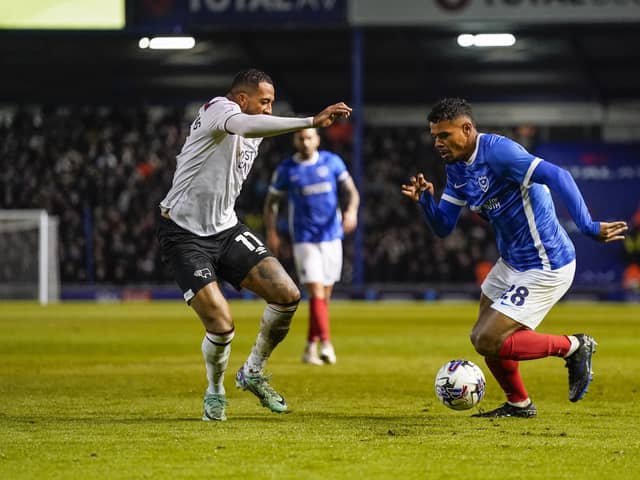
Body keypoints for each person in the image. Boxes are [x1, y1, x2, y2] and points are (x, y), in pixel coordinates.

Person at [401, 98, 628, 418]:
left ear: (467, 129)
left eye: (445, 135)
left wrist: (589, 226)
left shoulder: (499, 153)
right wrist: (426, 200)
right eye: (435, 136)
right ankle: (519, 403)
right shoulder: (456, 169)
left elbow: (559, 176)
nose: (438, 143)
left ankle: (575, 346)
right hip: (512, 263)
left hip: (546, 262)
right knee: (484, 334)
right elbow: (443, 226)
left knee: (486, 339)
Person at [157, 68, 351, 421]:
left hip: (225, 229)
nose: (268, 109)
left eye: (272, 103)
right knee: (220, 323)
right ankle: (215, 392)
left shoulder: (254, 126)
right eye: (264, 102)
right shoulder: (218, 109)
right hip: (184, 233)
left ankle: (253, 371)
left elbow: (254, 128)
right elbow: (245, 125)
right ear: (241, 99)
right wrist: (310, 121)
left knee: (287, 294)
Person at [263, 128, 360, 365]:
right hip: (304, 239)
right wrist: (272, 232)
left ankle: (309, 348)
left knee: (323, 298)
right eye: (301, 138)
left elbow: (352, 192)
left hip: (332, 237)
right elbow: (271, 203)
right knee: (316, 292)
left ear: (317, 139)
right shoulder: (287, 170)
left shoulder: (332, 162)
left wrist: (351, 211)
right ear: (295, 141)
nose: (305, 142)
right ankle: (326, 344)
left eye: (309, 137)